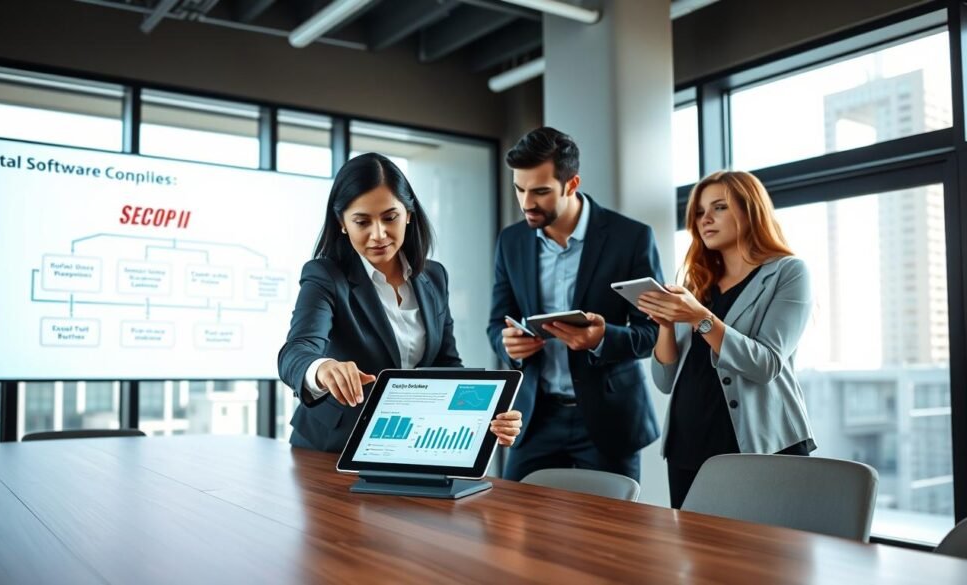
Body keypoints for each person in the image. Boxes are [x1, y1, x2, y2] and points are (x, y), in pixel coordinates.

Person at [278, 153, 522, 452]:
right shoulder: (326, 275)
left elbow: (445, 364)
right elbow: (296, 351)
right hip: (330, 449)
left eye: (390, 217)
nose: (378, 234)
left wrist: (486, 412)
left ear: (408, 213)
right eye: (362, 221)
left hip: (406, 444)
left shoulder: (434, 276)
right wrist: (322, 368)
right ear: (342, 223)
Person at [487, 127, 663, 482]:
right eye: (519, 189)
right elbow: (496, 323)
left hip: (609, 419)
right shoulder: (511, 241)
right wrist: (510, 346)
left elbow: (654, 332)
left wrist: (601, 339)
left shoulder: (631, 238)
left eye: (540, 191)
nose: (526, 203)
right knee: (512, 530)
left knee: (611, 533)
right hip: (533, 417)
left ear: (571, 184)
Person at [637, 170, 816, 509]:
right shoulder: (697, 285)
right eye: (700, 213)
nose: (705, 219)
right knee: (696, 558)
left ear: (750, 211)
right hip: (687, 446)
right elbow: (664, 381)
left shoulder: (788, 272)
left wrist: (700, 318)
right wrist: (664, 324)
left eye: (718, 208)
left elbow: (766, 365)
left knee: (763, 558)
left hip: (759, 448)